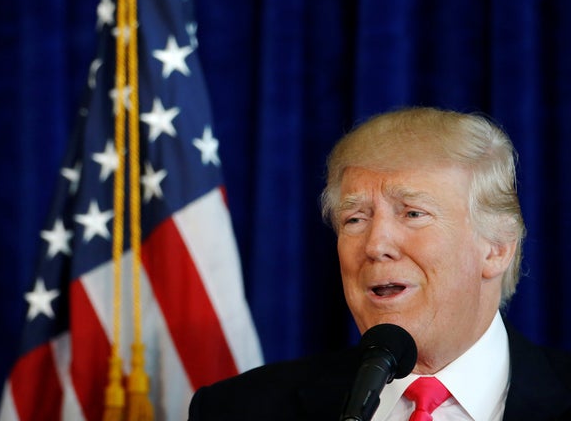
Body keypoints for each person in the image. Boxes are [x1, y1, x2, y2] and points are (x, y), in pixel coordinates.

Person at [187, 107, 571, 420]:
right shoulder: (238, 409)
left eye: (413, 213)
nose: (375, 244)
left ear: (497, 248)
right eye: (355, 219)